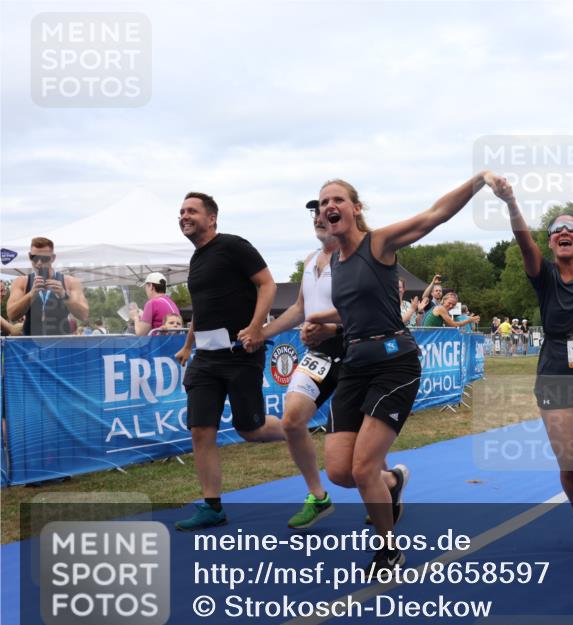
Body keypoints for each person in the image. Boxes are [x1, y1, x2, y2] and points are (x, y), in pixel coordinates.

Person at [308, 172, 497, 572]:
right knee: (341, 472)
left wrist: (479, 180)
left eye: (337, 199)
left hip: (395, 363)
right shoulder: (336, 262)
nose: (328, 207)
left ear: (355, 208)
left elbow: (434, 215)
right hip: (355, 365)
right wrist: (321, 322)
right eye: (323, 202)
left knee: (362, 469)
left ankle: (388, 548)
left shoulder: (379, 243)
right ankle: (392, 482)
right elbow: (350, 311)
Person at [487, 132, 573, 556]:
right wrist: (511, 202)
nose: (564, 231)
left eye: (572, 228)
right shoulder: (543, 274)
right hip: (555, 371)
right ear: (550, 241)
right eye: (556, 228)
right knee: (569, 463)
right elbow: (521, 239)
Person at [173, 192, 286, 530]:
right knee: (200, 430)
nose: (184, 216)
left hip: (241, 355)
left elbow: (267, 284)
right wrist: (187, 345)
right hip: (206, 359)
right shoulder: (196, 260)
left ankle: (293, 429)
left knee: (249, 429)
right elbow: (203, 310)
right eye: (180, 212)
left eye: (191, 211)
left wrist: (256, 327)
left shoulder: (234, 246)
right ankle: (212, 506)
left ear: (212, 218)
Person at [262, 198, 346, 530]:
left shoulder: (356, 258)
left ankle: (384, 484)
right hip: (319, 354)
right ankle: (318, 495)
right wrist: (262, 331)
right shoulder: (311, 260)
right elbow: (299, 308)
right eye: (314, 213)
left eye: (326, 212)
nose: (319, 217)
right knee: (292, 421)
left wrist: (334, 327)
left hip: (357, 353)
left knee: (358, 442)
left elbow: (372, 309)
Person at [7, 237, 89, 335]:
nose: (39, 263)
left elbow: (84, 315)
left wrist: (64, 295)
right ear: (29, 256)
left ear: (52, 258)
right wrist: (31, 295)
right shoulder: (21, 282)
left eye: (44, 258)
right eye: (34, 257)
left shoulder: (70, 282)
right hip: (31, 344)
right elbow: (12, 315)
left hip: (60, 344)